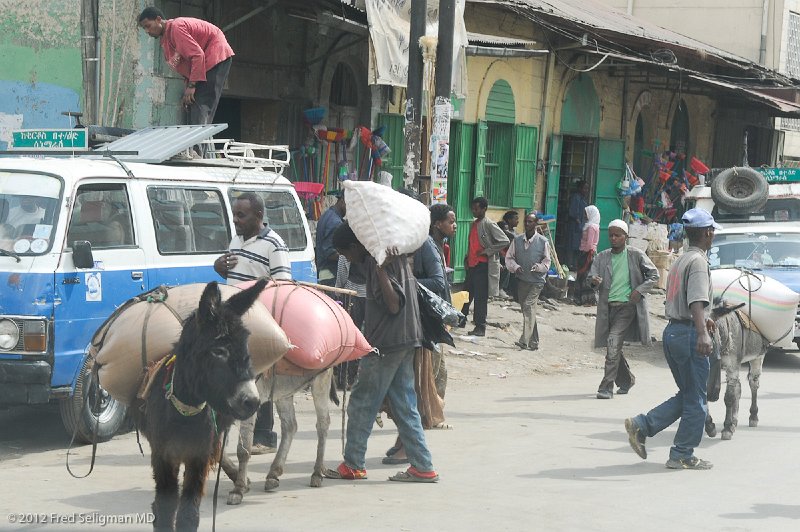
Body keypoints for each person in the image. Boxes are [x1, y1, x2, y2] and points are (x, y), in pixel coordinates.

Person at [329, 222, 438, 483]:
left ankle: (354, 464)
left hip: (386, 342)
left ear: (356, 247)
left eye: (346, 253)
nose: (346, 258)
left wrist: (378, 270)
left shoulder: (379, 262)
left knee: (361, 402)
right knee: (404, 403)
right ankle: (423, 466)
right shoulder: (394, 254)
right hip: (407, 337)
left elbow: (393, 304)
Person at [624, 208, 720, 470]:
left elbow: (686, 300)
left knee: (689, 394)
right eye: (712, 231)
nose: (713, 235)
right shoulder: (699, 261)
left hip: (673, 332)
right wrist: (702, 332)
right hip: (689, 334)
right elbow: (696, 301)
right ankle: (682, 453)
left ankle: (642, 425)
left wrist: (703, 319)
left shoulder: (680, 259)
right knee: (697, 401)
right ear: (707, 232)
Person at [213, 192, 291, 454]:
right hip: (233, 322)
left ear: (258, 216)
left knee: (259, 375)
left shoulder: (274, 244)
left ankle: (264, 435)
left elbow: (283, 286)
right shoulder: (236, 239)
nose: (235, 220)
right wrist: (219, 266)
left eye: (241, 215)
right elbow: (230, 271)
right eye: (234, 214)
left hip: (258, 319)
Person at [588, 219, 658, 399]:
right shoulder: (601, 257)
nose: (613, 238)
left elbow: (653, 275)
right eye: (610, 235)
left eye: (617, 235)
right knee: (613, 346)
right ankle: (627, 380)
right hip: (607, 308)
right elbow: (591, 277)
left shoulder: (636, 254)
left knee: (612, 342)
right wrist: (594, 281)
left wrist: (639, 291)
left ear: (625, 237)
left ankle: (605, 387)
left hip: (627, 308)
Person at [138, 6, 234, 133]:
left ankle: (197, 151)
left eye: (148, 26)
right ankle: (194, 148)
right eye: (144, 28)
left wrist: (192, 85)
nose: (147, 31)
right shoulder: (166, 40)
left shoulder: (176, 28)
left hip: (215, 54)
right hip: (201, 63)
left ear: (158, 19)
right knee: (190, 104)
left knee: (202, 104)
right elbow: (186, 65)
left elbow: (197, 55)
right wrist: (188, 89)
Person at [460, 197, 509, 337]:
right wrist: (467, 258)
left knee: (480, 297)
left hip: (482, 265)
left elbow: (504, 240)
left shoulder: (488, 224)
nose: (474, 211)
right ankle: (461, 319)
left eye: (477, 209)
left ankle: (480, 326)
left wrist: (487, 251)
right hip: (472, 264)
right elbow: (471, 244)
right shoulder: (474, 224)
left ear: (484, 209)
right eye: (473, 209)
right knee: (466, 294)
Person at [505, 213, 550, 351]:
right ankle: (534, 341)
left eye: (531, 222)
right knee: (527, 310)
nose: (527, 224)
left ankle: (524, 341)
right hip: (522, 280)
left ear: (536, 224)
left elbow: (547, 262)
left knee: (528, 306)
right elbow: (509, 258)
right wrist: (515, 267)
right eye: (526, 221)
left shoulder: (543, 241)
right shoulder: (517, 240)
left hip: (537, 281)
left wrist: (539, 267)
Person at [315, 190, 346, 286]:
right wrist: (348, 258)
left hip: (323, 272)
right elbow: (330, 252)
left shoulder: (327, 215)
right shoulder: (336, 222)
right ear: (342, 201)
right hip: (330, 275)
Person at [574, 205, 601, 306]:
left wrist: (584, 253)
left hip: (587, 253)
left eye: (586, 213)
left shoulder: (591, 227)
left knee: (584, 275)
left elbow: (589, 243)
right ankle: (586, 299)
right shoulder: (594, 226)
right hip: (589, 252)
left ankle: (585, 299)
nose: (585, 215)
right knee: (587, 275)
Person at [566, 181, 590, 270]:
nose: (586, 190)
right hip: (574, 226)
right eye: (584, 188)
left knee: (578, 246)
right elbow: (572, 212)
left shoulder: (583, 199)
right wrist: (579, 222)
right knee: (571, 246)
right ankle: (569, 265)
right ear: (580, 188)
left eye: (587, 188)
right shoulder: (576, 197)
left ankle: (575, 265)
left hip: (580, 227)